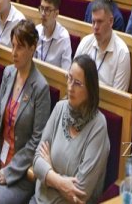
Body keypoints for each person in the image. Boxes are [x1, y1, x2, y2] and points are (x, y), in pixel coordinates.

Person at [0, 20, 51, 203]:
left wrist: (11, 170)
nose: (13, 52)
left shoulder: (40, 88)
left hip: (20, 172)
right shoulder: (8, 73)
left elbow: (37, 140)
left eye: (20, 47)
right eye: (13, 45)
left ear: (32, 48)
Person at [32, 55, 110, 204]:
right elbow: (36, 161)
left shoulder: (98, 126)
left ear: (90, 90)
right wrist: (60, 182)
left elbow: (80, 193)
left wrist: (48, 172)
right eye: (69, 78)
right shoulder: (60, 108)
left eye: (77, 83)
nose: (70, 87)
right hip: (38, 200)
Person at [73, 0, 130, 92]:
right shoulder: (85, 42)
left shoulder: (122, 53)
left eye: (99, 22)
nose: (95, 27)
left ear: (111, 21)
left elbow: (118, 97)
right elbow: (73, 76)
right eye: (93, 22)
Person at [36, 0, 73, 68]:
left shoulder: (64, 38)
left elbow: (65, 71)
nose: (43, 14)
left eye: (47, 10)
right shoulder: (36, 31)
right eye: (42, 8)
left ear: (56, 13)